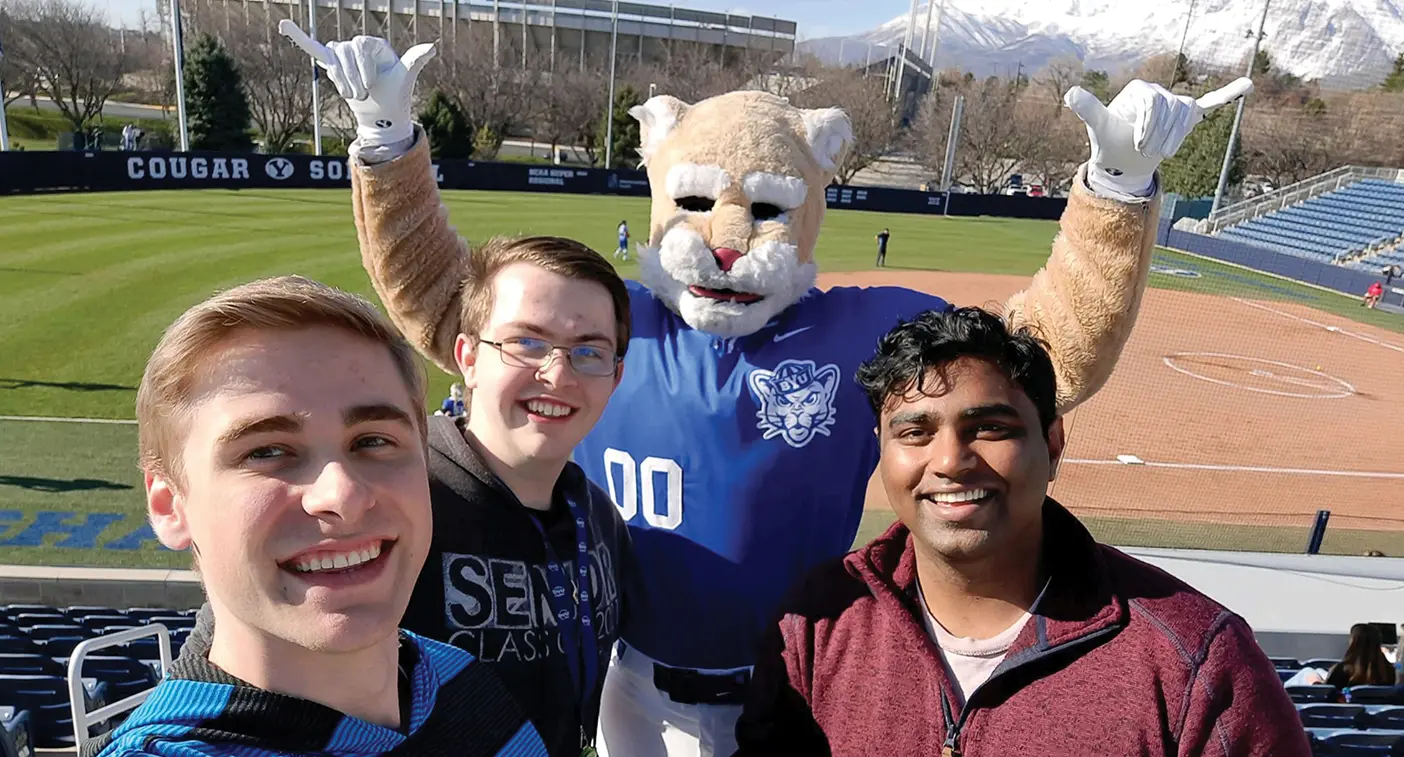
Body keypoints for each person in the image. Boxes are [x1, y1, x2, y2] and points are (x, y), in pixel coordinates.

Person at [277, 23, 1254, 757]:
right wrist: (387, 143)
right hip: (626, 686)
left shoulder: (860, 328)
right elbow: (454, 303)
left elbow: (1041, 360)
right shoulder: (604, 320)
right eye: (695, 201)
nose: (728, 236)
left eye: (766, 208)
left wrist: (1115, 196)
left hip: (795, 687)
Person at [733, 306, 1310, 756]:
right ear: (881, 454)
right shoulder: (817, 621)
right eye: (915, 432)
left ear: (1053, 444)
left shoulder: (1196, 656)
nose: (951, 461)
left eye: (989, 428)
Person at [86, 276, 547, 757]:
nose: (341, 495)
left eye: (372, 441)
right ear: (169, 505)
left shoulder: (463, 683)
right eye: (266, 451)